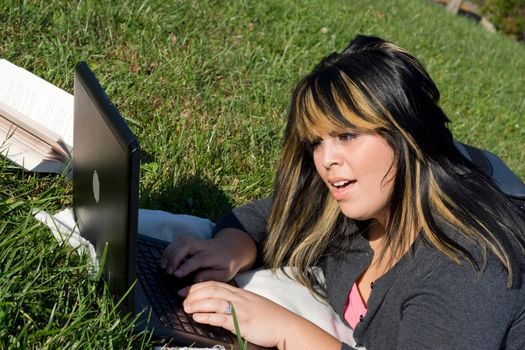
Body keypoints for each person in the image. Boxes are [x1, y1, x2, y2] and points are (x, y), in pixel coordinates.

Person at [161, 35, 525, 349]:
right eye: (316, 141)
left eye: (347, 136)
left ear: (407, 135)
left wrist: (286, 331)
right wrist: (226, 250)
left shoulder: (468, 267)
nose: (325, 159)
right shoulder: (362, 198)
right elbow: (266, 218)